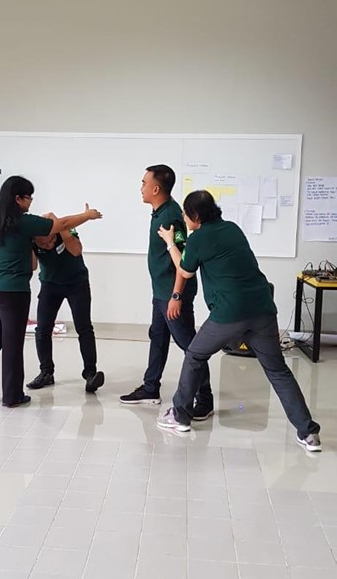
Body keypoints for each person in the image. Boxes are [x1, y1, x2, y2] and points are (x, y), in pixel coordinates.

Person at [157, 189, 322, 453]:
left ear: (195, 216)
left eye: (186, 215)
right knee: (278, 371)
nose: (185, 219)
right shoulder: (232, 228)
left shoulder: (199, 238)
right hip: (263, 309)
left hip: (229, 313)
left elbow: (184, 271)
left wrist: (170, 242)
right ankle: (308, 433)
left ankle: (180, 415)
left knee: (195, 355)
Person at [0, 176, 102, 408]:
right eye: (29, 198)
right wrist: (87, 216)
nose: (30, 203)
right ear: (18, 198)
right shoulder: (22, 221)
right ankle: (12, 396)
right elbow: (59, 224)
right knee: (12, 343)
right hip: (12, 292)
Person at [119, 165, 214, 417]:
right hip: (161, 292)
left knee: (190, 346)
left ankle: (205, 398)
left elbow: (183, 261)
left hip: (173, 295)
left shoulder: (171, 216)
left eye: (143, 183)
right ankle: (151, 388)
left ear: (156, 188)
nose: (141, 187)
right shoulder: (159, 212)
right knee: (158, 338)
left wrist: (176, 296)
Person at [27, 227, 104, 394]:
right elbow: (32, 266)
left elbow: (76, 251)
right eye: (43, 244)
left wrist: (60, 229)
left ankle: (90, 373)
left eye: (52, 241)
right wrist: (27, 243)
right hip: (50, 285)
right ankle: (46, 372)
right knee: (42, 330)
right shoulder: (32, 240)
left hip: (77, 283)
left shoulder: (65, 230)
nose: (48, 245)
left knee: (84, 328)